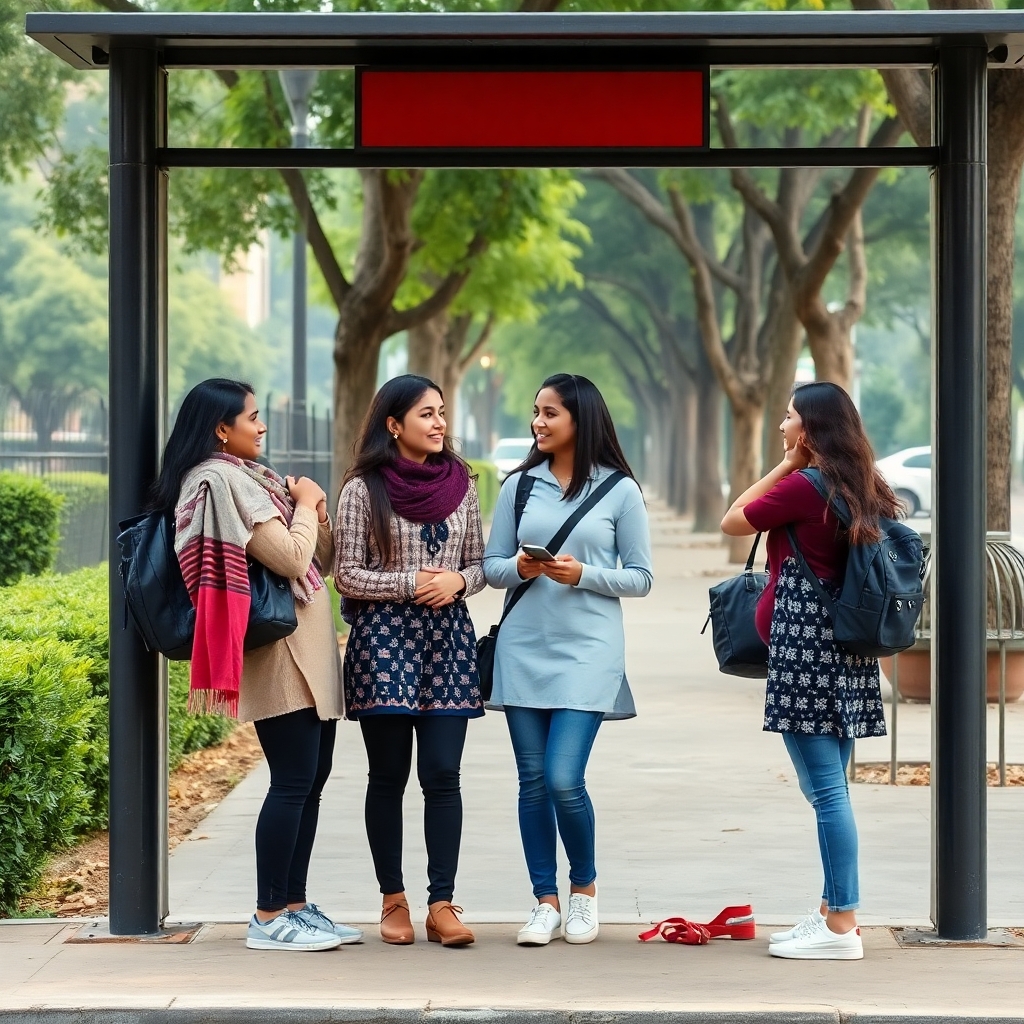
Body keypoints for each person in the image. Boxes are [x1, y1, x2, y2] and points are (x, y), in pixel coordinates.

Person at [156, 378, 361, 952]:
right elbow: (291, 556)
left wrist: (310, 507)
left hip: (309, 646)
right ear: (222, 429)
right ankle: (268, 915)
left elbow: (319, 553)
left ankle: (295, 904)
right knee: (294, 780)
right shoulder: (219, 480)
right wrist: (304, 504)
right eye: (252, 417)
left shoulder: (255, 480)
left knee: (311, 780)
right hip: (279, 653)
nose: (262, 425)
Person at [721, 380, 899, 962]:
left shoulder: (805, 487)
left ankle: (842, 922)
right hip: (848, 653)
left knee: (825, 792)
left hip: (807, 652)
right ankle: (829, 910)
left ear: (812, 430)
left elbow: (734, 520)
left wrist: (787, 466)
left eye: (790, 418)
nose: (782, 426)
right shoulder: (866, 486)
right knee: (829, 786)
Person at [483, 373, 653, 947]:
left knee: (562, 777)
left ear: (581, 418)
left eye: (550, 412)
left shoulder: (620, 491)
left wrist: (584, 575)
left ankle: (584, 892)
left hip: (588, 651)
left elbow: (641, 577)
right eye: (536, 411)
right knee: (532, 780)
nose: (538, 422)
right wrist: (523, 569)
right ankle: (544, 902)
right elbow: (491, 567)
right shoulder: (519, 487)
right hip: (524, 645)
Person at [333, 374, 485, 948]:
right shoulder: (361, 489)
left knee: (443, 774)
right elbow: (346, 573)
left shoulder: (463, 484)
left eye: (441, 412)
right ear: (393, 425)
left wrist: (457, 581)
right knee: (389, 776)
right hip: (384, 644)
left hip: (448, 642)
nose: (439, 423)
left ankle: (441, 902)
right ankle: (392, 899)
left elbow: (477, 563)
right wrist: (410, 583)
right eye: (426, 414)